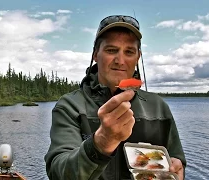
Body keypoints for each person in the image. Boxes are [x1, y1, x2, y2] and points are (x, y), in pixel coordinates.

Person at [44, 15, 186, 180]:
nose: (120, 60)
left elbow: (177, 160)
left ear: (138, 57)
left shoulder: (158, 106)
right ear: (95, 55)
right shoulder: (69, 106)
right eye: (112, 50)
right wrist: (102, 142)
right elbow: (58, 173)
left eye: (129, 52)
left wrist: (177, 169)